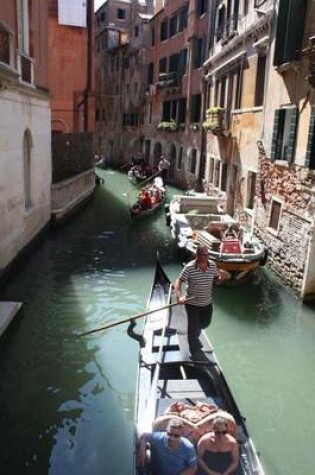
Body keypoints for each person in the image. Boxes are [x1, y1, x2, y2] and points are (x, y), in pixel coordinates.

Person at [173, 245, 228, 357]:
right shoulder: (189, 268)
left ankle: (195, 335)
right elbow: (178, 281)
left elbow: (216, 280)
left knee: (205, 324)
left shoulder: (212, 265)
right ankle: (194, 350)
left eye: (206, 254)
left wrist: (221, 278)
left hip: (207, 303)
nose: (204, 257)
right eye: (202, 254)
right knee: (193, 329)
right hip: (192, 304)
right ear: (196, 255)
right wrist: (179, 297)